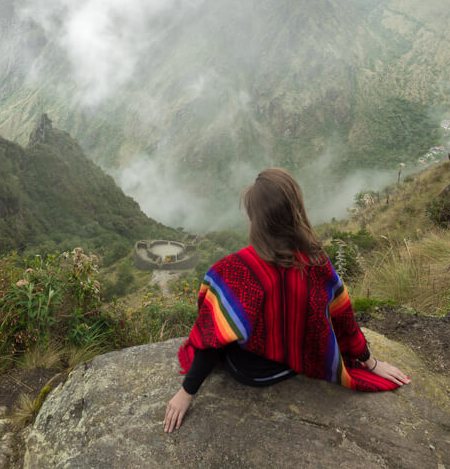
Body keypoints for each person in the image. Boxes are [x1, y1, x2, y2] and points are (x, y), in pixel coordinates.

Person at [164, 168, 410, 432]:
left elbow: (213, 339)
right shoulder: (317, 261)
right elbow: (343, 318)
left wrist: (187, 392)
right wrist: (369, 362)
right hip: (297, 364)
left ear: (255, 218)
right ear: (296, 209)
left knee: (222, 319)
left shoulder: (235, 270)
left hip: (250, 373)